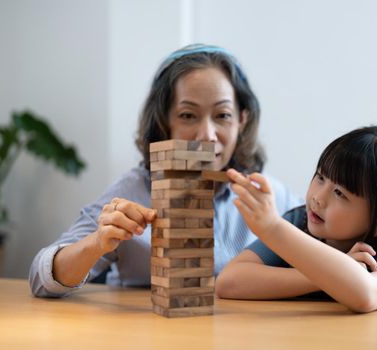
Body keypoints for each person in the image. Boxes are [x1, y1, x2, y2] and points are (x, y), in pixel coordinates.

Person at [29, 44, 302, 297]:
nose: (207, 135)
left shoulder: (269, 195)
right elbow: (40, 280)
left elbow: (333, 258)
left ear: (241, 121)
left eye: (222, 115)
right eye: (187, 115)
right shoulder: (134, 191)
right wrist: (98, 243)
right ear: (164, 123)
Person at [216, 126, 377, 313]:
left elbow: (366, 295)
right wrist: (320, 275)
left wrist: (273, 228)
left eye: (340, 193)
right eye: (320, 178)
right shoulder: (299, 222)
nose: (318, 198)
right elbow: (229, 282)